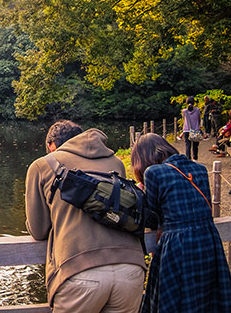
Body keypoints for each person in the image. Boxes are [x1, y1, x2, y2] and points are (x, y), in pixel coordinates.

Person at [25, 120, 145, 312]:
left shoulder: (41, 166)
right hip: (130, 268)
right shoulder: (115, 162)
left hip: (79, 270)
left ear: (50, 145)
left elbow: (38, 230)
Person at [131, 133, 231, 313]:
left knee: (177, 301)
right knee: (207, 297)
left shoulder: (153, 172)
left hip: (178, 244)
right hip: (209, 239)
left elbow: (153, 218)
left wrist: (141, 193)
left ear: (144, 157)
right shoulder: (199, 168)